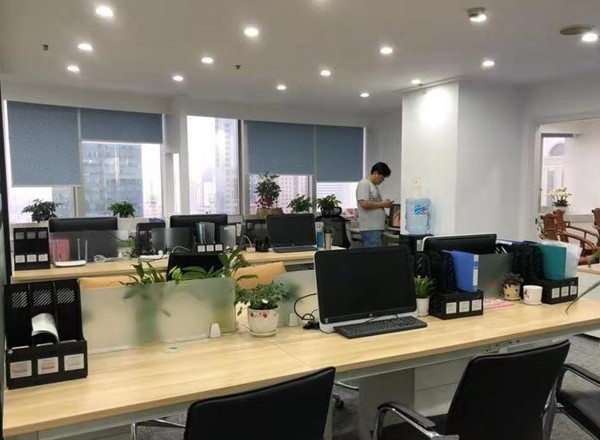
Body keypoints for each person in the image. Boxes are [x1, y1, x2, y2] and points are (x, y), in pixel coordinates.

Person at [356, 162, 392, 247]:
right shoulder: (364, 184)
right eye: (382, 177)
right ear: (375, 173)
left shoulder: (374, 186)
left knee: (377, 253)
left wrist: (384, 204)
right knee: (374, 254)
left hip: (376, 228)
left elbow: (374, 203)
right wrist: (382, 204)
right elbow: (364, 204)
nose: (383, 180)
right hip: (370, 229)